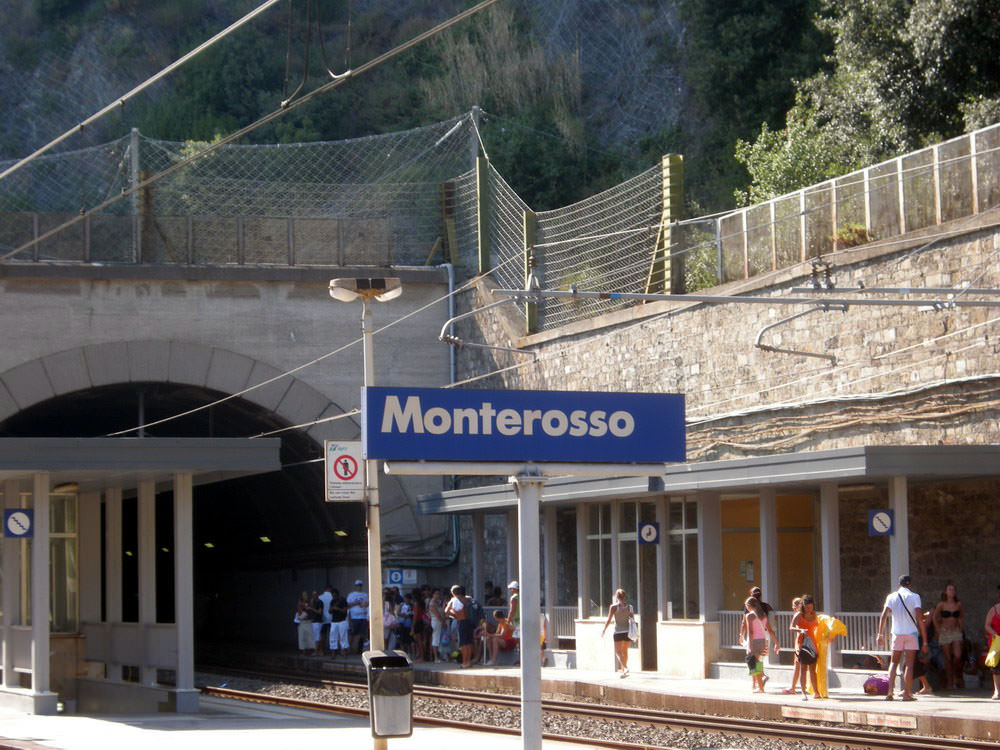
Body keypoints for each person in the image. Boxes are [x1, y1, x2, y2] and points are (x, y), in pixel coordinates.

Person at [876, 574, 928, 701]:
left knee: (894, 663)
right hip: (911, 633)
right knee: (909, 665)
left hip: (897, 633)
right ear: (910, 584)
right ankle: (907, 694)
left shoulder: (891, 597)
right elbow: (919, 618)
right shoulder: (915, 597)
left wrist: (880, 634)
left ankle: (889, 692)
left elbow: (883, 615)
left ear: (899, 584)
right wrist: (925, 640)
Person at [740, 596, 779, 693]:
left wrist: (750, 645)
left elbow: (751, 632)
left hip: (755, 641)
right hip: (763, 641)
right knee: (758, 663)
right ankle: (760, 685)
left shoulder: (750, 616)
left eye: (746, 606)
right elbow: (770, 630)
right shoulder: (763, 616)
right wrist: (776, 643)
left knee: (754, 663)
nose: (746, 608)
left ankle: (761, 686)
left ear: (749, 606)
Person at [932, 583, 964, 689]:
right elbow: (934, 617)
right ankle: (950, 682)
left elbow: (960, 617)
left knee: (957, 656)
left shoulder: (958, 604)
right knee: (948, 658)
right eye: (949, 589)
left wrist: (961, 629)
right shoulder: (941, 604)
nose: (952, 591)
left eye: (953, 589)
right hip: (945, 631)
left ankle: (955, 675)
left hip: (955, 631)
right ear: (946, 592)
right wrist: (938, 630)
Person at [600, 588, 635, 678]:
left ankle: (626, 668)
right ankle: (624, 671)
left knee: (618, 652)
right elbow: (632, 620)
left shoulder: (613, 607)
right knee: (625, 651)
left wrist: (604, 629)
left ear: (616, 597)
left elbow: (609, 619)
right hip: (627, 632)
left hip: (618, 632)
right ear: (625, 597)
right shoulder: (630, 607)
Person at [791, 595, 820, 699]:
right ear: (803, 606)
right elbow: (791, 627)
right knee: (803, 668)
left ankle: (816, 692)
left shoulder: (814, 615)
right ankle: (803, 693)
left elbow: (819, 626)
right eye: (807, 607)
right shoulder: (798, 615)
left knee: (813, 668)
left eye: (810, 607)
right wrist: (800, 630)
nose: (809, 609)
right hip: (802, 643)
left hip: (812, 643)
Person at [445, 584, 474, 668]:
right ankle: (469, 661)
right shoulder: (468, 598)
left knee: (463, 644)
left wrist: (454, 616)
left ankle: (465, 663)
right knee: (469, 642)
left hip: (461, 622)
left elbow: (446, 611)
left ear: (453, 593)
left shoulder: (454, 600)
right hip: (470, 622)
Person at [782, 596, 803, 694]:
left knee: (798, 665)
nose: (793, 608)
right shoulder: (805, 614)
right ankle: (794, 687)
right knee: (802, 665)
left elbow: (791, 627)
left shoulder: (798, 614)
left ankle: (793, 687)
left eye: (795, 605)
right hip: (804, 640)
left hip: (800, 641)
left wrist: (800, 630)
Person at [984, 584, 1000, 700]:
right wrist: (995, 634)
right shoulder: (994, 609)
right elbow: (987, 625)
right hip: (996, 641)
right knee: (996, 667)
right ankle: (997, 691)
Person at [346, 579, 369, 653]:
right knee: (352, 633)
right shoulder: (351, 595)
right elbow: (347, 605)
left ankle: (360, 650)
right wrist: (355, 603)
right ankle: (348, 649)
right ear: (355, 586)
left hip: (363, 617)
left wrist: (365, 604)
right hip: (354, 617)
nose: (359, 587)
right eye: (357, 585)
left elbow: (368, 603)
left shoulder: (365, 595)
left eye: (360, 585)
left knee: (363, 634)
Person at [328, 587, 349, 657]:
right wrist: (332, 609)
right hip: (334, 621)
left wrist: (338, 609)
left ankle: (344, 652)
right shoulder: (332, 601)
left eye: (334, 595)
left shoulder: (343, 600)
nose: (333, 597)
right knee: (333, 637)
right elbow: (329, 611)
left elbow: (345, 611)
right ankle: (333, 652)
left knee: (343, 637)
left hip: (342, 621)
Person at [428, 588, 445, 662]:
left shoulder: (437, 602)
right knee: (435, 639)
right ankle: (436, 657)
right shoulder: (432, 603)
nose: (438, 595)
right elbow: (437, 615)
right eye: (436, 594)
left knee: (438, 639)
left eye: (438, 594)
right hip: (436, 622)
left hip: (438, 622)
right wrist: (443, 622)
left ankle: (438, 656)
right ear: (433, 594)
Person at [295, 591, 314, 656]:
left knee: (309, 636)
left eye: (306, 595)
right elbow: (299, 610)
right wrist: (303, 606)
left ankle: (309, 650)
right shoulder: (299, 604)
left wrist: (307, 607)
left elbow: (311, 610)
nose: (306, 596)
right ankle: (302, 650)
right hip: (302, 621)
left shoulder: (309, 603)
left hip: (308, 621)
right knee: (301, 637)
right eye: (304, 595)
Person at [317, 585, 334, 655]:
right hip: (332, 618)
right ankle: (332, 650)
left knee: (323, 635)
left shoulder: (320, 597)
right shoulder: (333, 597)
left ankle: (322, 650)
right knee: (332, 635)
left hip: (323, 619)